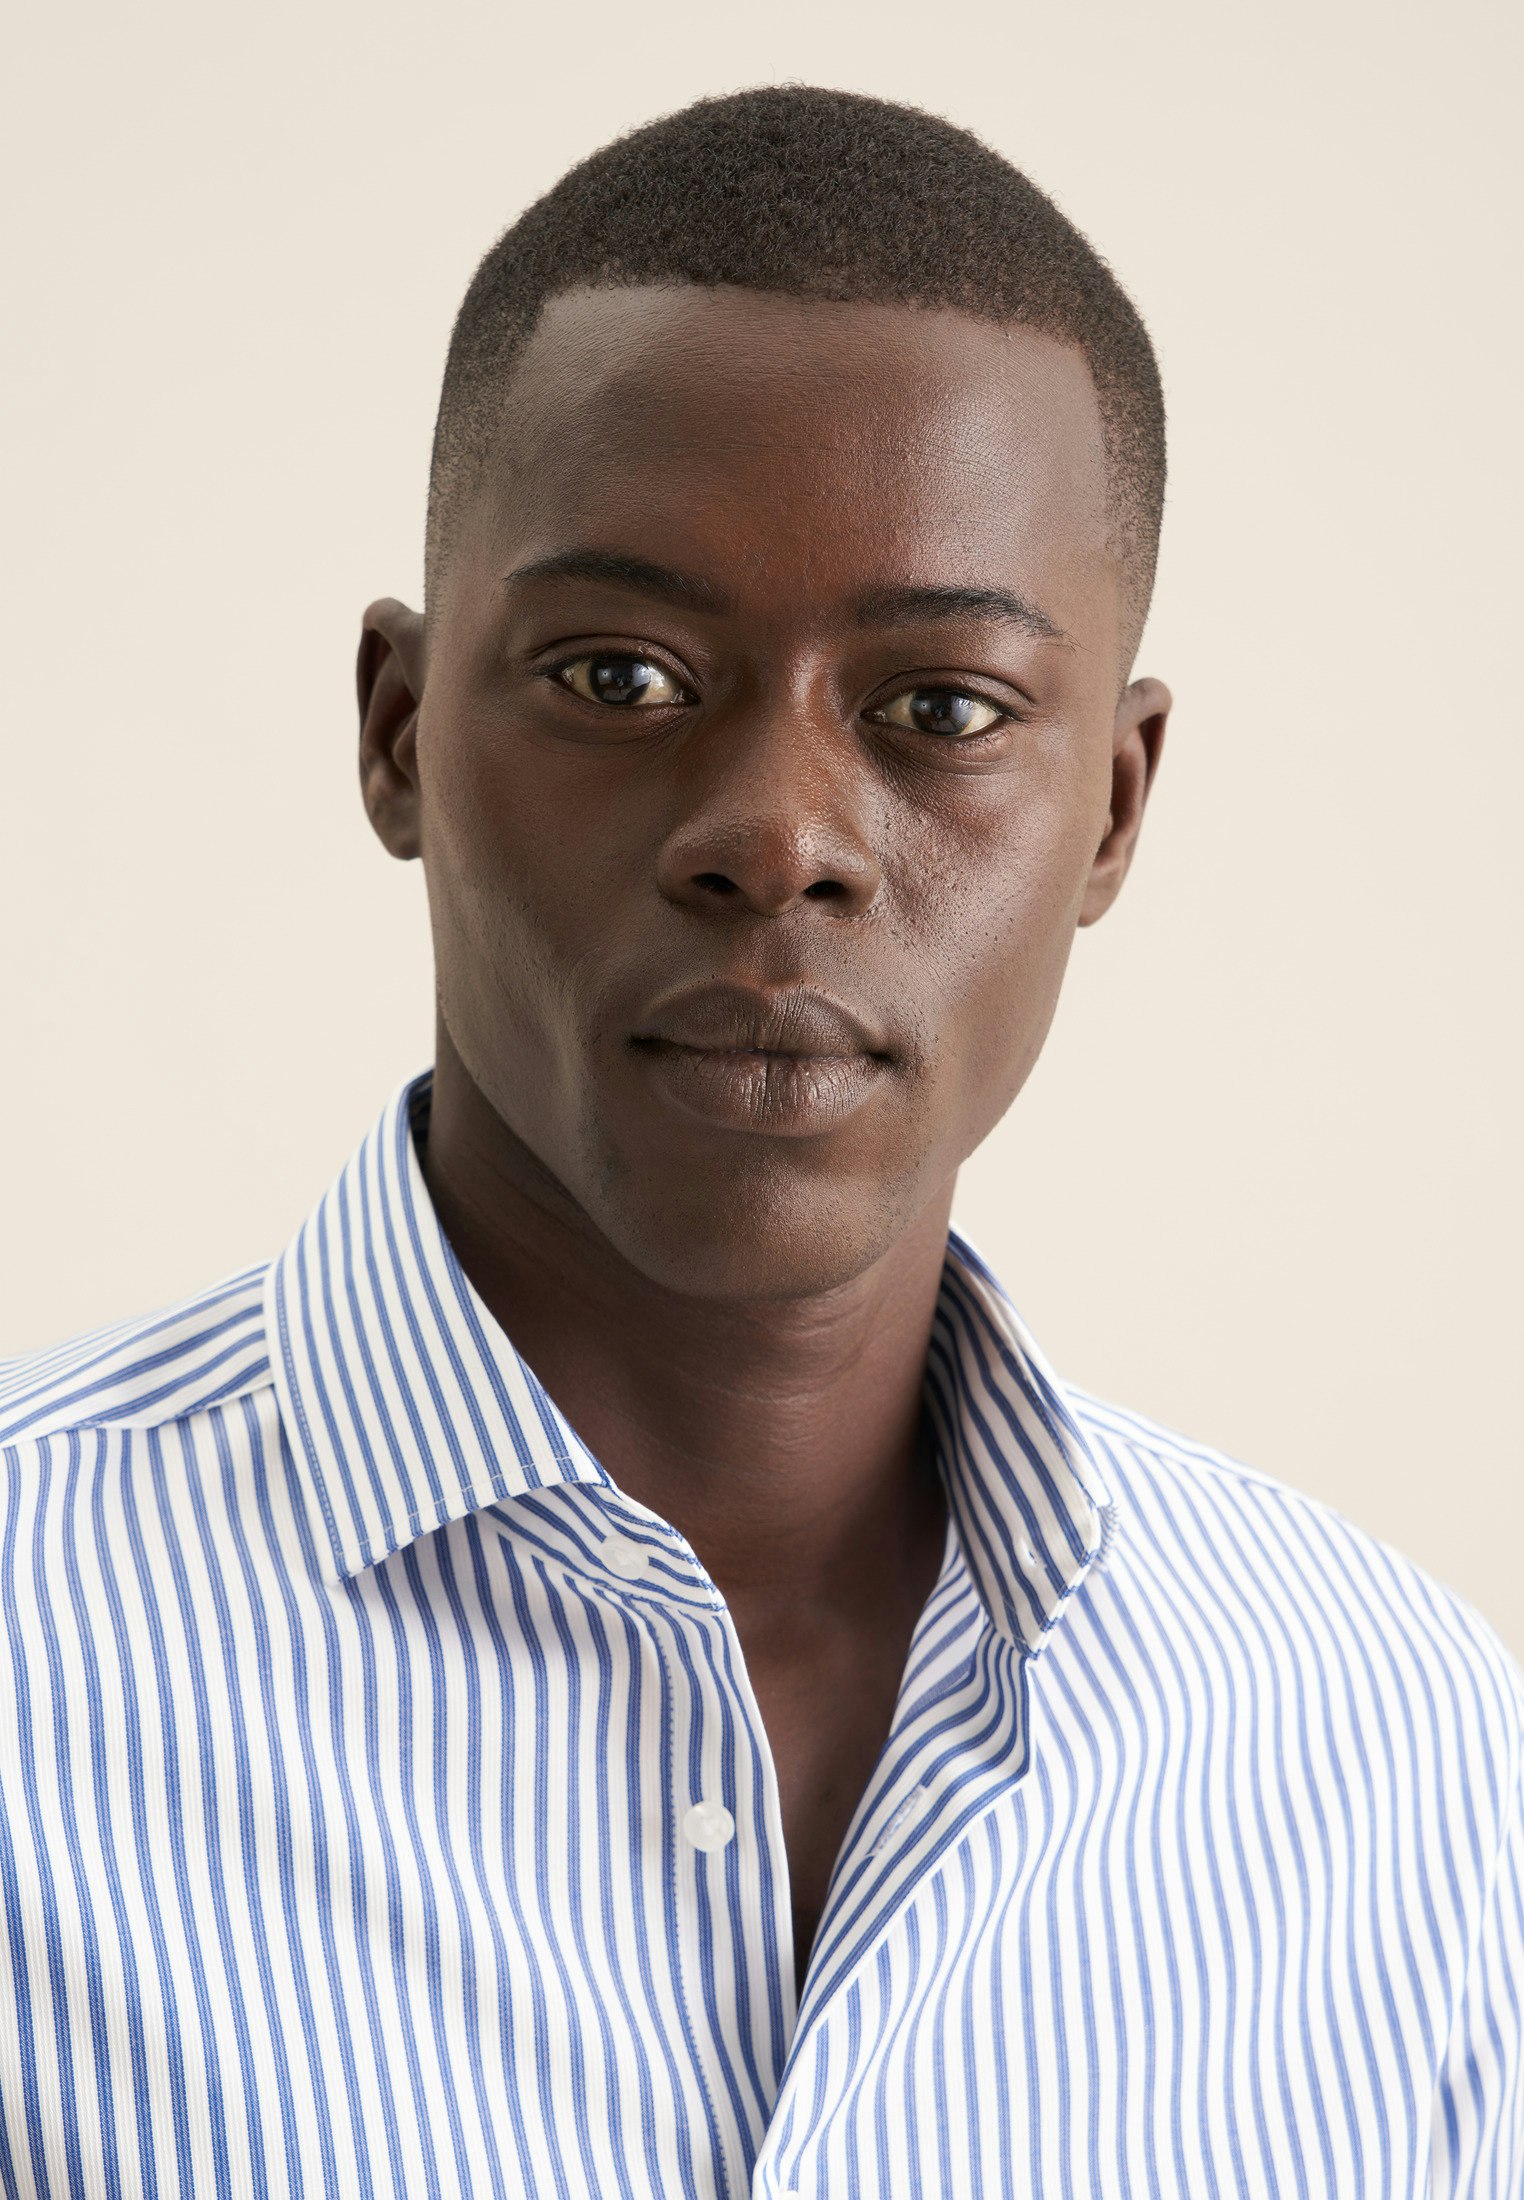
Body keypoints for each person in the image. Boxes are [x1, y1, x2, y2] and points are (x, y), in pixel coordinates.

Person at [2, 85, 1519, 2200]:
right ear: (398, 733)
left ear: (1113, 808)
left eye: (944, 710)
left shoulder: (1401, 1759)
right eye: (621, 676)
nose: (779, 837)